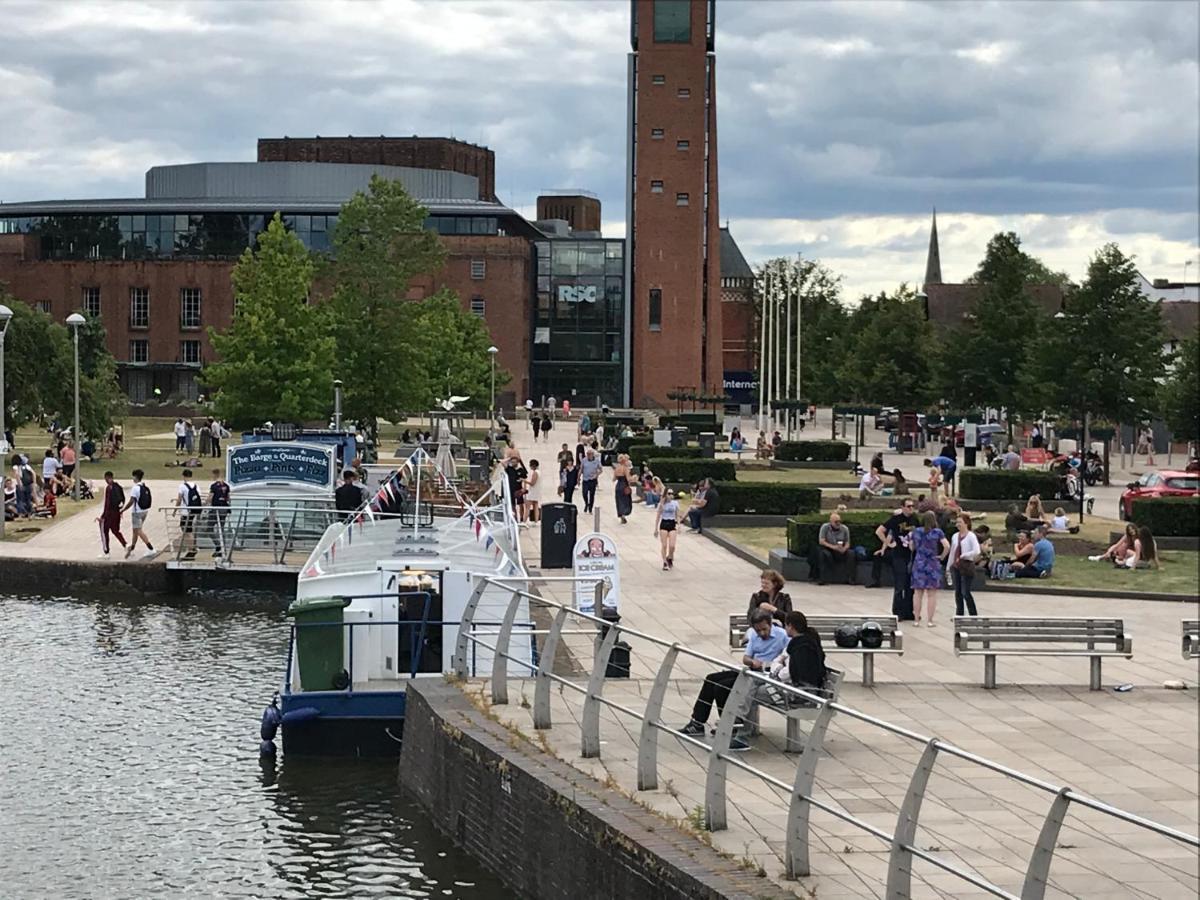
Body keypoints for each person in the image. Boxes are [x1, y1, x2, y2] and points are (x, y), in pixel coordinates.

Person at [680, 610, 787, 751]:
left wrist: (769, 664)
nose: (761, 633)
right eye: (758, 630)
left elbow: (787, 656)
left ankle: (730, 724)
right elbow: (746, 657)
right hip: (751, 670)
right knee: (711, 679)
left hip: (766, 674)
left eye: (764, 629)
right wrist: (752, 661)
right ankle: (697, 722)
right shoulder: (754, 635)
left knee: (722, 686)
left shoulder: (781, 636)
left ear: (770, 624)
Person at [876, 498, 917, 621]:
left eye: (912, 506)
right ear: (903, 507)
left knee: (910, 585)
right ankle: (898, 611)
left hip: (910, 555)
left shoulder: (915, 519)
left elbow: (919, 533)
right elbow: (879, 531)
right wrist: (888, 544)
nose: (911, 509)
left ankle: (908, 611)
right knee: (900, 584)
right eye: (908, 506)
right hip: (899, 555)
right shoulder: (895, 520)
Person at [770, 610, 827, 694]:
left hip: (801, 693)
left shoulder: (799, 648)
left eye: (785, 625)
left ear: (790, 626)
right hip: (807, 689)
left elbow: (786, 674)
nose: (785, 628)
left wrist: (776, 669)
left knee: (757, 691)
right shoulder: (809, 642)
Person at [910, 511, 949, 626]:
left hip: (919, 563)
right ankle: (930, 620)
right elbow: (947, 546)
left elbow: (911, 546)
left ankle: (916, 619)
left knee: (917, 593)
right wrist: (941, 556)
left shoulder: (916, 531)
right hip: (932, 563)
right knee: (931, 594)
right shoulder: (937, 532)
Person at [946, 513, 980, 616]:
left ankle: (973, 614)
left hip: (966, 566)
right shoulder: (955, 536)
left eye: (960, 522)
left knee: (965, 592)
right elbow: (952, 551)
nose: (958, 524)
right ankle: (959, 614)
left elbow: (976, 551)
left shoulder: (971, 536)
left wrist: (965, 555)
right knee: (958, 592)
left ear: (966, 523)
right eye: (957, 522)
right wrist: (948, 566)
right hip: (957, 566)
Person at [121, 469, 156, 559]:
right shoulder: (144, 486)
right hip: (144, 511)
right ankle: (132, 548)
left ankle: (150, 548)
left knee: (138, 530)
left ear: (135, 477)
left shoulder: (135, 488)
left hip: (136, 512)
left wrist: (123, 510)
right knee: (135, 531)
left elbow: (131, 501)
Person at [815, 512, 854, 585]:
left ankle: (850, 578)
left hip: (840, 549)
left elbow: (848, 542)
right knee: (823, 554)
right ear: (831, 522)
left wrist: (844, 549)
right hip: (829, 548)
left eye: (839, 521)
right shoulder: (825, 527)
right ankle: (822, 578)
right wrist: (833, 547)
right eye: (836, 522)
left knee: (851, 554)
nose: (838, 523)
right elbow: (821, 541)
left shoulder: (845, 529)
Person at [97, 471, 127, 558]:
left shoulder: (108, 489)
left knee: (104, 531)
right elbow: (123, 499)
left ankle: (106, 552)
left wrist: (103, 516)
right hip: (117, 513)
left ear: (107, 478)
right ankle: (125, 545)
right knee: (115, 531)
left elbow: (107, 503)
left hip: (109, 514)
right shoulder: (118, 486)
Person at [175, 469, 202, 560]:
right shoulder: (196, 486)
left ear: (183, 476)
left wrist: (175, 510)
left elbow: (179, 499)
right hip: (193, 510)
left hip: (185, 511)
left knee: (187, 530)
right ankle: (192, 547)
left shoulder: (182, 486)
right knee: (188, 529)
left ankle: (191, 550)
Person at [653, 487, 680, 570]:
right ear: (665, 495)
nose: (671, 495)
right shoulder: (662, 504)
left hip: (672, 523)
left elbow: (677, 515)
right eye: (669, 494)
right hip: (664, 523)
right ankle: (664, 562)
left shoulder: (675, 503)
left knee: (672, 546)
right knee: (664, 545)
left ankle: (670, 557)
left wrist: (679, 525)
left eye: (672, 494)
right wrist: (656, 528)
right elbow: (658, 516)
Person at [612, 453, 634, 524]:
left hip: (618, 485)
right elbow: (628, 479)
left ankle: (621, 514)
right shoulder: (625, 468)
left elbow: (614, 479)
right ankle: (624, 513)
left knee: (619, 501)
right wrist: (634, 478)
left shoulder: (617, 468)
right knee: (626, 501)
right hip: (624, 485)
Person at [579, 447, 601, 513]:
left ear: (592, 455)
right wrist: (578, 478)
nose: (588, 455)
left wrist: (596, 475)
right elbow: (581, 469)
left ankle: (590, 507)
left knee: (592, 494)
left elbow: (600, 469)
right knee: (584, 493)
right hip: (585, 480)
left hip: (592, 480)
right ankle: (586, 503)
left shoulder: (596, 461)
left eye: (590, 454)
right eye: (587, 454)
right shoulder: (584, 460)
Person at [524, 459, 543, 524]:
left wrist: (524, 481)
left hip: (533, 491)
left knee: (527, 507)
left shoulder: (535, 473)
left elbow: (532, 483)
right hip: (537, 491)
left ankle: (524, 520)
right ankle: (536, 520)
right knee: (536, 505)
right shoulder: (539, 472)